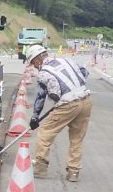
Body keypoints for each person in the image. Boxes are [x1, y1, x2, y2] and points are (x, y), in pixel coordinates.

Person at [26, 44, 92, 182]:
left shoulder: (43, 73)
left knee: (45, 133)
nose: (34, 66)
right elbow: (84, 72)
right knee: (77, 138)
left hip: (68, 105)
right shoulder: (66, 60)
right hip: (85, 101)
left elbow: (45, 96)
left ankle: (40, 168)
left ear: (38, 59)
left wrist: (35, 117)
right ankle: (73, 172)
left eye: (33, 63)